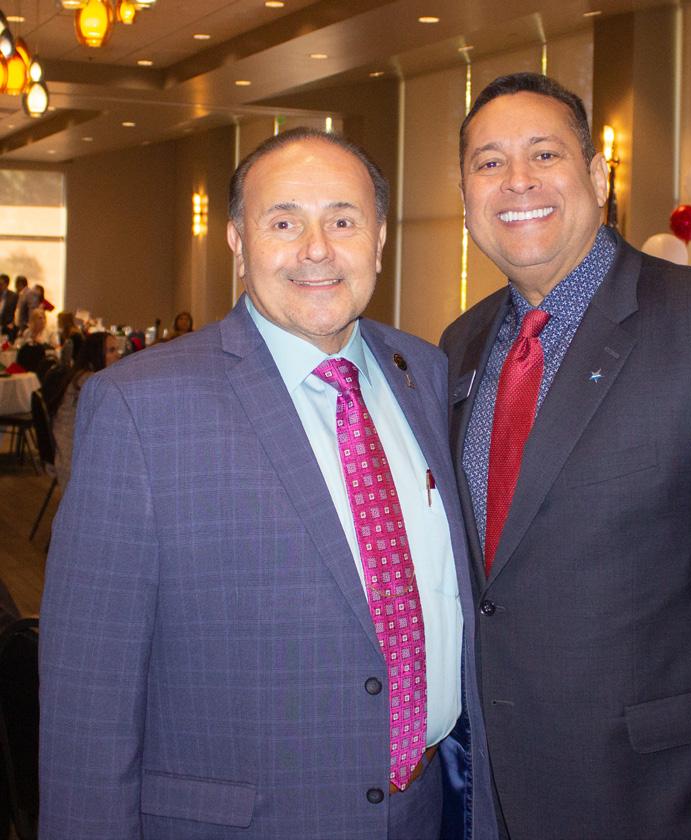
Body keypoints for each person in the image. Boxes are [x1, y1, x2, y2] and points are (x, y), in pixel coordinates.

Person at [39, 127, 496, 840]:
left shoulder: (423, 373)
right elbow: (87, 692)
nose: (316, 249)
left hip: (418, 808)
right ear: (237, 241)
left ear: (378, 240)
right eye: (283, 223)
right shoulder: (141, 405)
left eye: (343, 220)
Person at [440, 73, 691, 840]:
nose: (516, 180)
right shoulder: (458, 345)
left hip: (658, 799)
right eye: (488, 163)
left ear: (597, 177)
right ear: (465, 196)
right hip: (485, 794)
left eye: (544, 154)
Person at [49, 331, 119, 492]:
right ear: (96, 354)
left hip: (72, 448)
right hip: (73, 456)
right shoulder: (89, 381)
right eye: (111, 350)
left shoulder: (82, 376)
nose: (118, 355)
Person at [0, 273, 17, 338]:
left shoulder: (13, 296)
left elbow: (16, 311)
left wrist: (12, 323)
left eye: (1, 284)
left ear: (7, 284)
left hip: (7, 327)